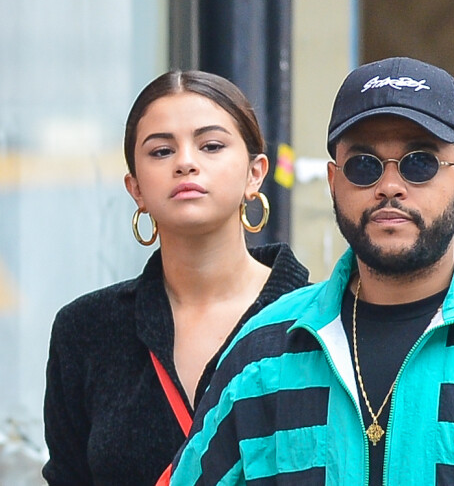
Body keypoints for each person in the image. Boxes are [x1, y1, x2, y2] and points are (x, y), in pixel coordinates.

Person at [168, 57, 454, 486]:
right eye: (363, 165)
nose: (389, 186)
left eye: (418, 162)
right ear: (333, 181)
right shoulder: (264, 353)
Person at [42, 70, 310, 486]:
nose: (186, 162)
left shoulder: (320, 322)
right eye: (162, 151)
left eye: (211, 145)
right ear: (136, 188)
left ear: (255, 174)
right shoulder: (84, 328)